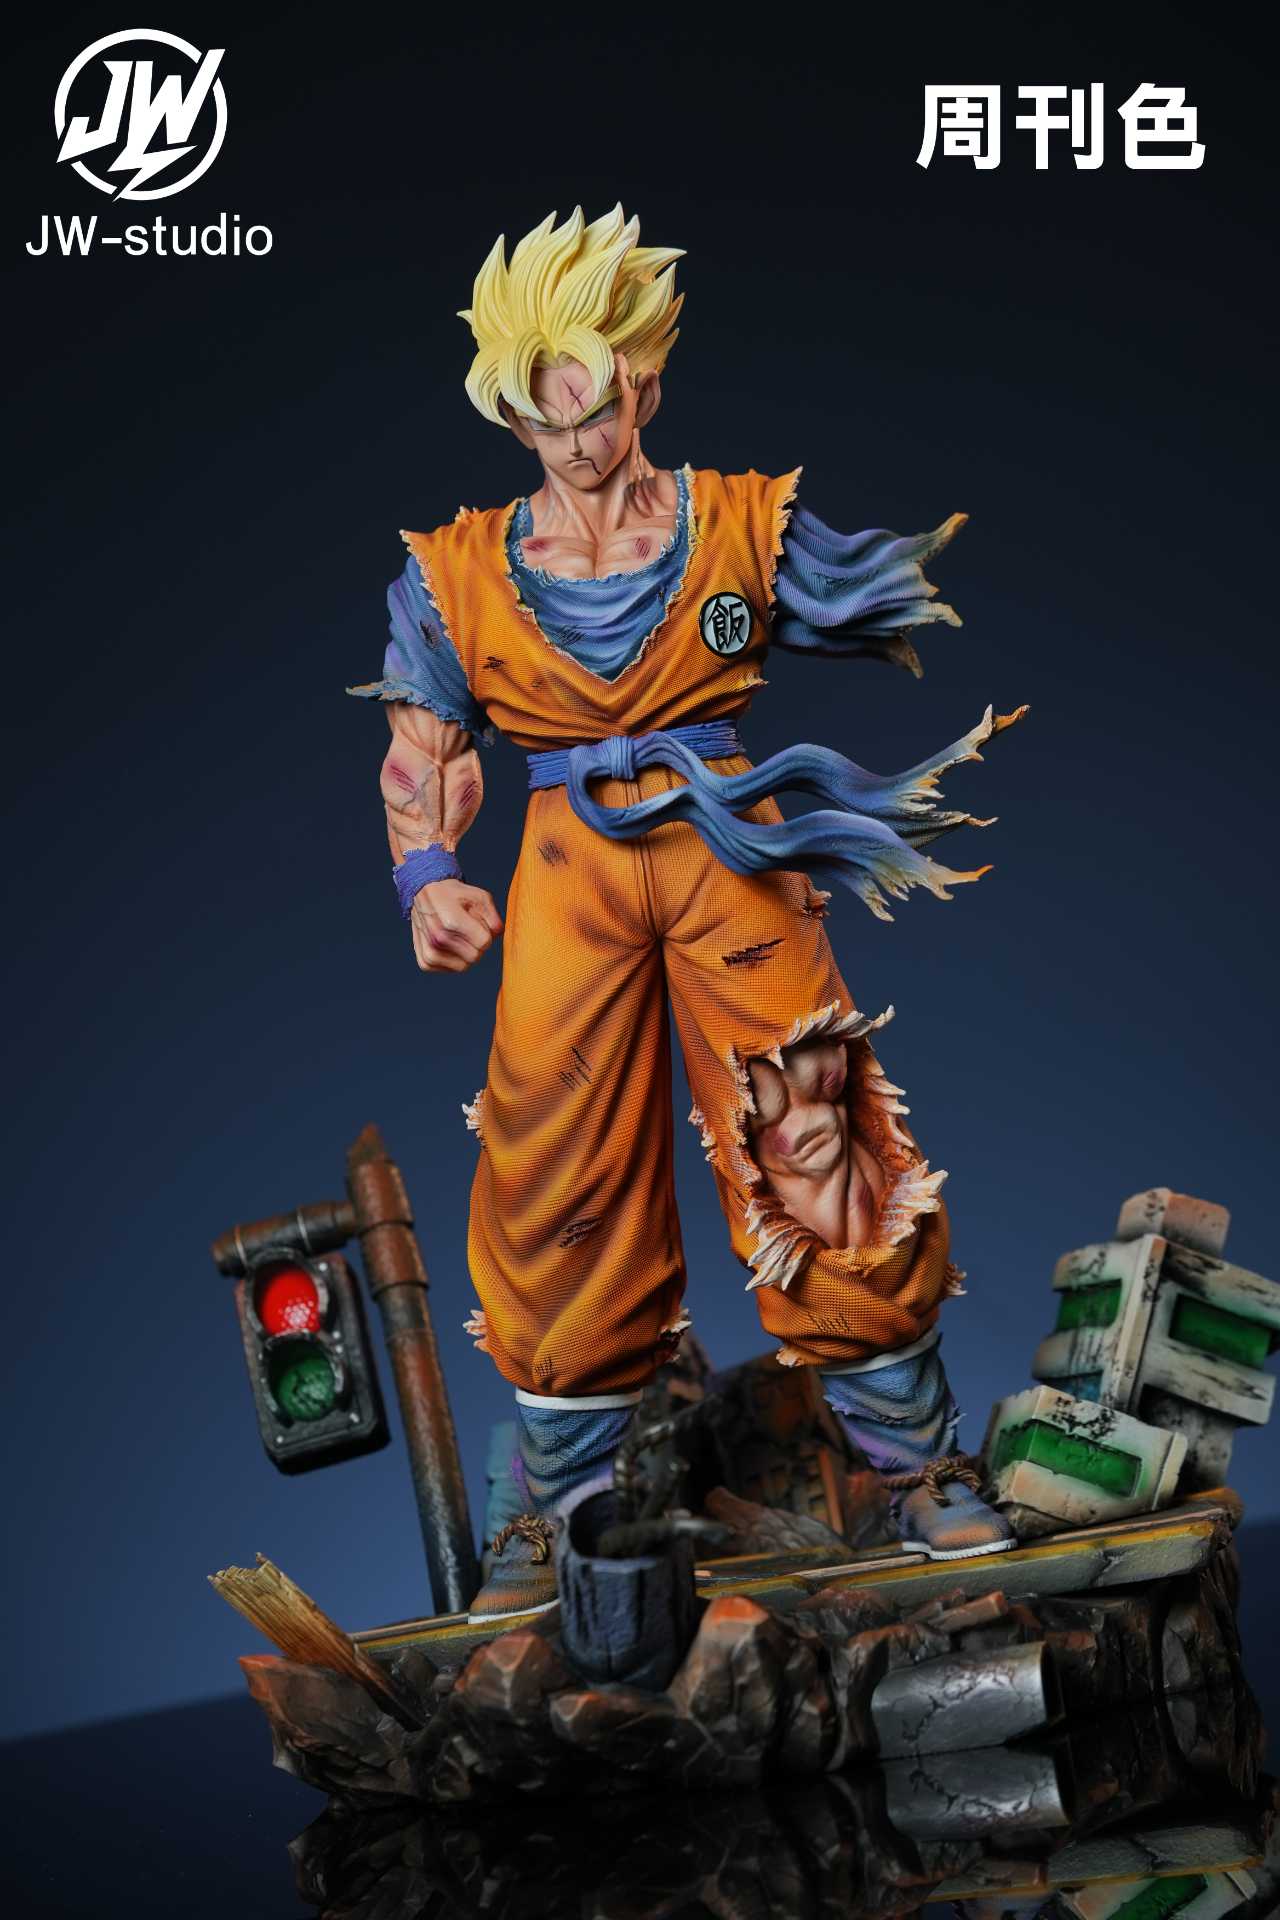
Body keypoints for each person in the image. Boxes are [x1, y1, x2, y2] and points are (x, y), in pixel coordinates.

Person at [350, 206, 1024, 1621]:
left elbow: (876, 584)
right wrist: (426, 875)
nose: (573, 436)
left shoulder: (734, 525)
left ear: (643, 381)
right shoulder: (458, 574)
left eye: (593, 399)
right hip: (565, 866)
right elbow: (424, 753)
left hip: (728, 843)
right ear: (508, 405)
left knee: (813, 1121)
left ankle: (917, 1465)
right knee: (553, 1164)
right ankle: (564, 1516)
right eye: (539, 408)